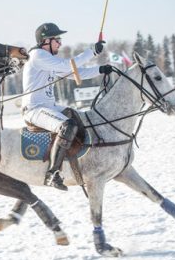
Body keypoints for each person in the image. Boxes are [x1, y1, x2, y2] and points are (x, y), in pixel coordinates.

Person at [21, 22, 114, 191]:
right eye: (57, 39)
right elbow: (68, 65)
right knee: (67, 126)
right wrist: (92, 51)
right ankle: (52, 174)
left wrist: (100, 69)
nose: (60, 43)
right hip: (34, 109)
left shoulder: (47, 59)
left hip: (49, 107)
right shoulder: (37, 56)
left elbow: (72, 74)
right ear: (45, 41)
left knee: (80, 118)